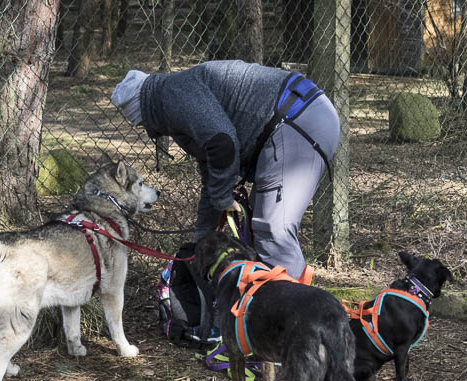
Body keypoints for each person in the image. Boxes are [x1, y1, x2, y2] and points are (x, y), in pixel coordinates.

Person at [110, 60, 340, 283]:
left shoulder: (173, 96)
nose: (148, 131)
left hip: (299, 119)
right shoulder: (174, 103)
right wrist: (201, 240)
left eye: (142, 124)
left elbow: (222, 144)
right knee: (258, 232)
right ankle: (269, 303)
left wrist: (222, 198)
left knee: (273, 231)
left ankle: (295, 306)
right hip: (298, 118)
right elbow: (213, 171)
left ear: (145, 111)